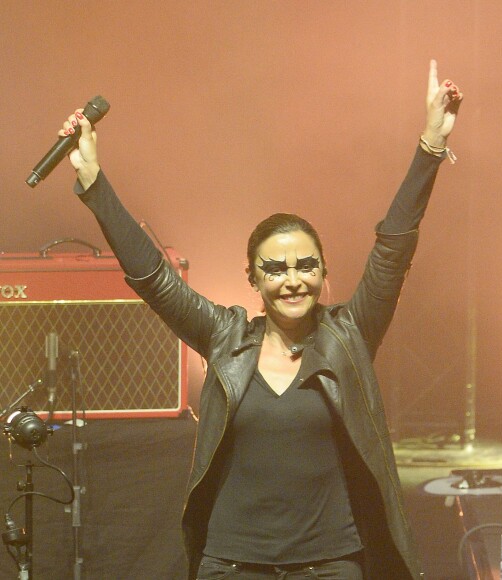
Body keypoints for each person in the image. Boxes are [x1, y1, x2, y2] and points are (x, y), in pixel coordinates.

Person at [60, 59, 462, 580]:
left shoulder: (349, 335)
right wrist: (94, 184)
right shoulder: (225, 338)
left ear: (323, 272)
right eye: (275, 269)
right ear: (252, 279)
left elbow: (392, 252)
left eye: (305, 266)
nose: (292, 280)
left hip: (330, 566)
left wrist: (430, 146)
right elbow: (156, 279)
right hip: (231, 566)